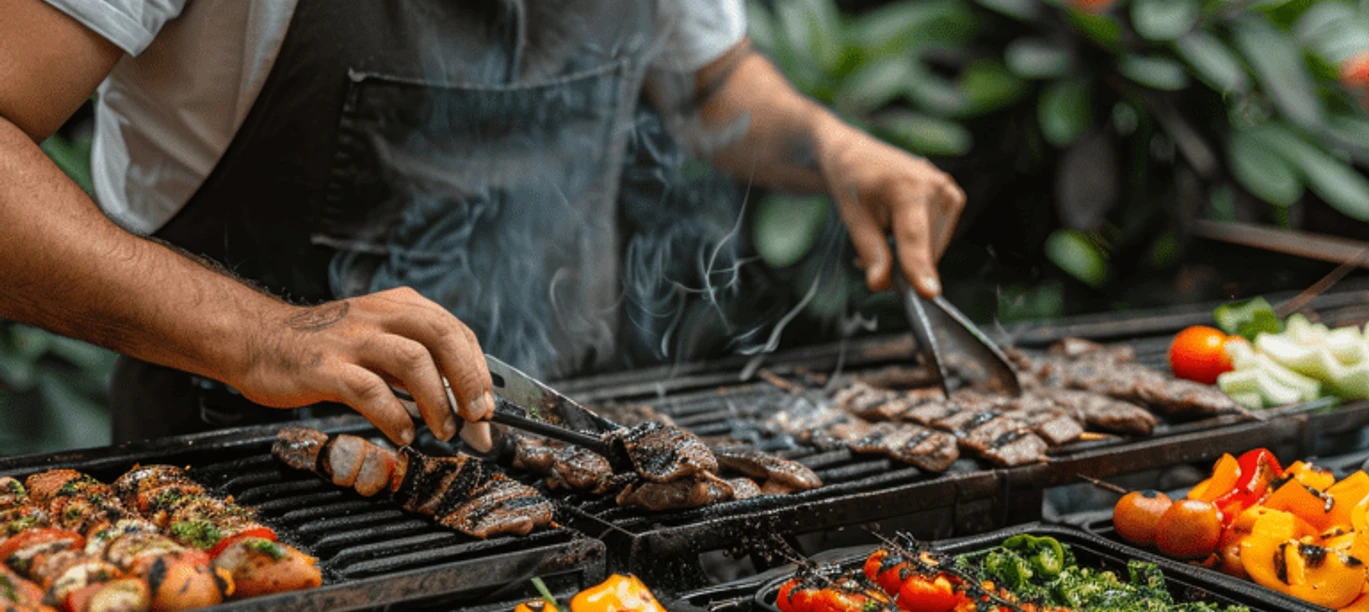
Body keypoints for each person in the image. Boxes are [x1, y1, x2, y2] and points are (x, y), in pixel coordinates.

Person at [0, 0, 966, 450]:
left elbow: (706, 82)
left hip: (577, 466)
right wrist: (262, 333)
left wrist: (829, 147)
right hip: (260, 488)